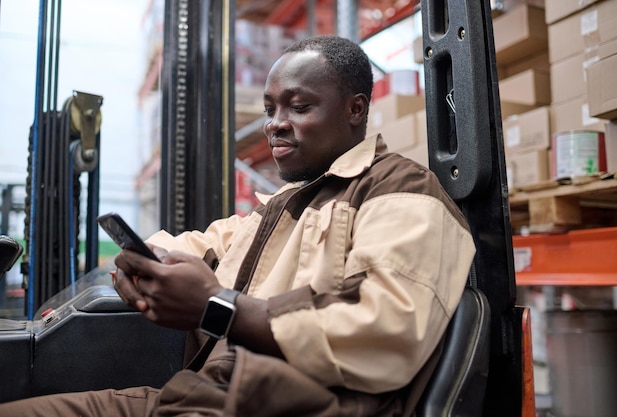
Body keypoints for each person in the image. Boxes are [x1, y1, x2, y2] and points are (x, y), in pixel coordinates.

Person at [0, 35, 475, 417]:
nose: (276, 124)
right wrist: (140, 264)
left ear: (355, 110)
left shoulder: (400, 190)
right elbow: (198, 246)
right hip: (198, 396)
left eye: (299, 107)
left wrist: (217, 308)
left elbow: (384, 329)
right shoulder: (284, 205)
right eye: (270, 109)